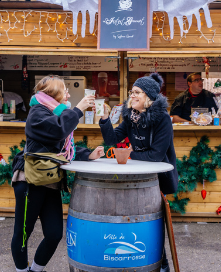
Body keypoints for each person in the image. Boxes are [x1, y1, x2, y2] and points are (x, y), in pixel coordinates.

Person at [10, 76, 104, 272]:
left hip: (50, 180)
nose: (68, 94)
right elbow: (57, 131)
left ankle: (35, 270)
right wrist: (78, 110)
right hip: (30, 180)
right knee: (22, 233)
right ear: (54, 94)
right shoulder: (37, 113)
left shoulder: (56, 113)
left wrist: (88, 154)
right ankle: (21, 270)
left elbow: (62, 149)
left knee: (54, 234)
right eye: (65, 91)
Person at [99, 72, 178, 272]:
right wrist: (105, 119)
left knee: (154, 226)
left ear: (149, 99)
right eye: (131, 92)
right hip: (136, 178)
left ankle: (162, 265)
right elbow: (112, 140)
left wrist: (130, 155)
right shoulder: (131, 117)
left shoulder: (163, 120)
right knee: (137, 224)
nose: (131, 96)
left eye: (137, 93)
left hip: (156, 180)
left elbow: (156, 156)